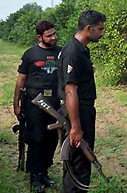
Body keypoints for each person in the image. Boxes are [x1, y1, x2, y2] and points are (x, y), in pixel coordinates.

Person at [57, 10, 106, 192]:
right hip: (77, 112)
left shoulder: (81, 50)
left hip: (81, 110)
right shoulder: (72, 52)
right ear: (88, 28)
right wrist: (76, 127)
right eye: (99, 29)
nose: (102, 33)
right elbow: (70, 91)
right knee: (77, 163)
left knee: (81, 162)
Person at [13, 20, 61, 192]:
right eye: (49, 35)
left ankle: (44, 172)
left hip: (54, 102)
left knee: (51, 138)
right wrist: (16, 104)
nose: (54, 37)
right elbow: (20, 81)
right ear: (39, 37)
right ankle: (34, 176)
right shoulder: (30, 54)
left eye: (54, 34)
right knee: (36, 138)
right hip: (34, 102)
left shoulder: (61, 53)